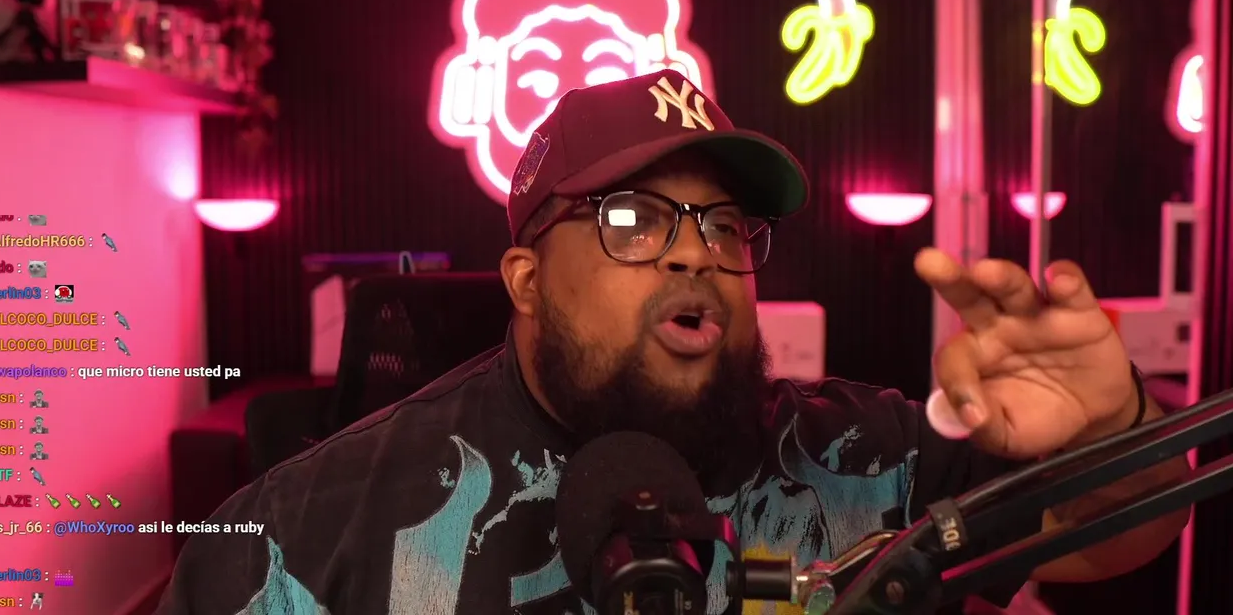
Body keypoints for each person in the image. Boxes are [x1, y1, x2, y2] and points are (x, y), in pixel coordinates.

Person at [156, 71, 1189, 615]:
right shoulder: (301, 533)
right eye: (633, 219)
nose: (696, 252)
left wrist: (1115, 427)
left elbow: (1113, 537)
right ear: (525, 282)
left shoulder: (869, 462)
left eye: (724, 226)